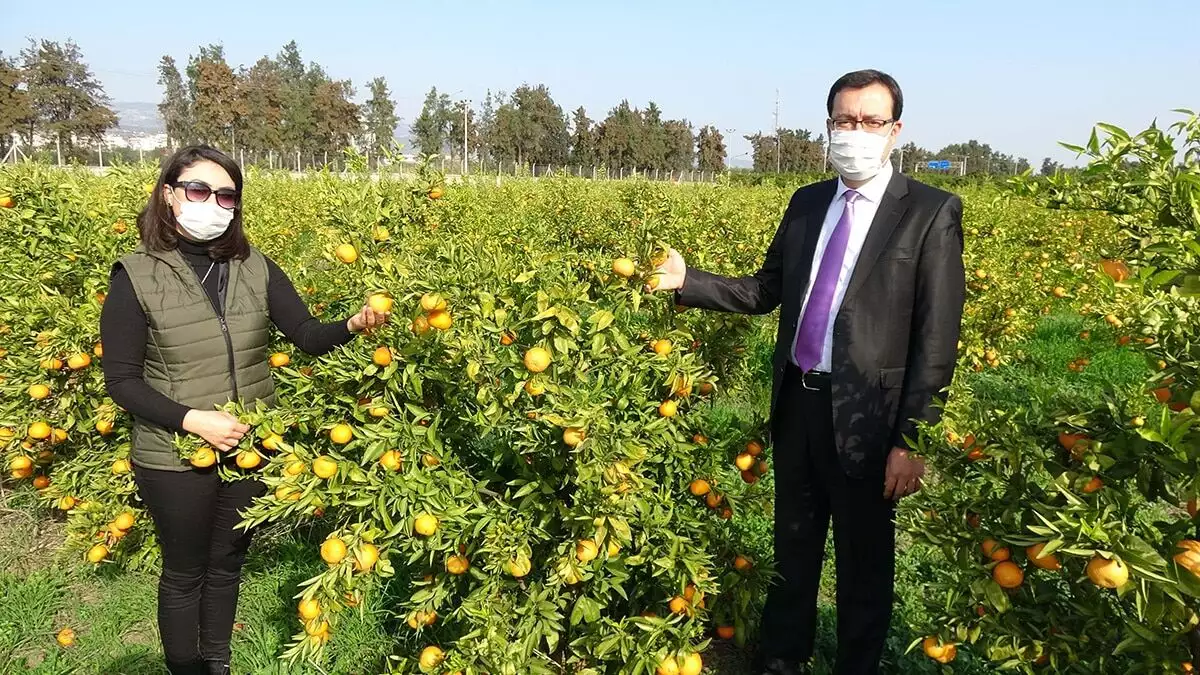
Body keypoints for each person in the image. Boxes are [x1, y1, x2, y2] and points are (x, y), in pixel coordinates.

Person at [649, 70, 965, 674]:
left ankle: (855, 665)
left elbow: (936, 339)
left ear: (895, 130)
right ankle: (783, 657)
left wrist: (912, 439)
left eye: (871, 121)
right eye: (845, 120)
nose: (856, 132)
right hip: (798, 401)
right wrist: (688, 282)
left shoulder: (930, 212)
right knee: (792, 544)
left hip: (869, 416)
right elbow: (769, 290)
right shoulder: (808, 202)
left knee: (863, 558)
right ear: (828, 126)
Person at [99, 145, 388, 675]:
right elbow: (122, 381)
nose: (212, 202)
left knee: (228, 563)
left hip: (248, 445)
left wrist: (352, 325)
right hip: (174, 451)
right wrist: (194, 420)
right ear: (169, 195)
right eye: (198, 190)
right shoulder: (136, 276)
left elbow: (302, 334)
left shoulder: (255, 266)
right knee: (186, 571)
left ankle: (219, 664)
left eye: (225, 194)